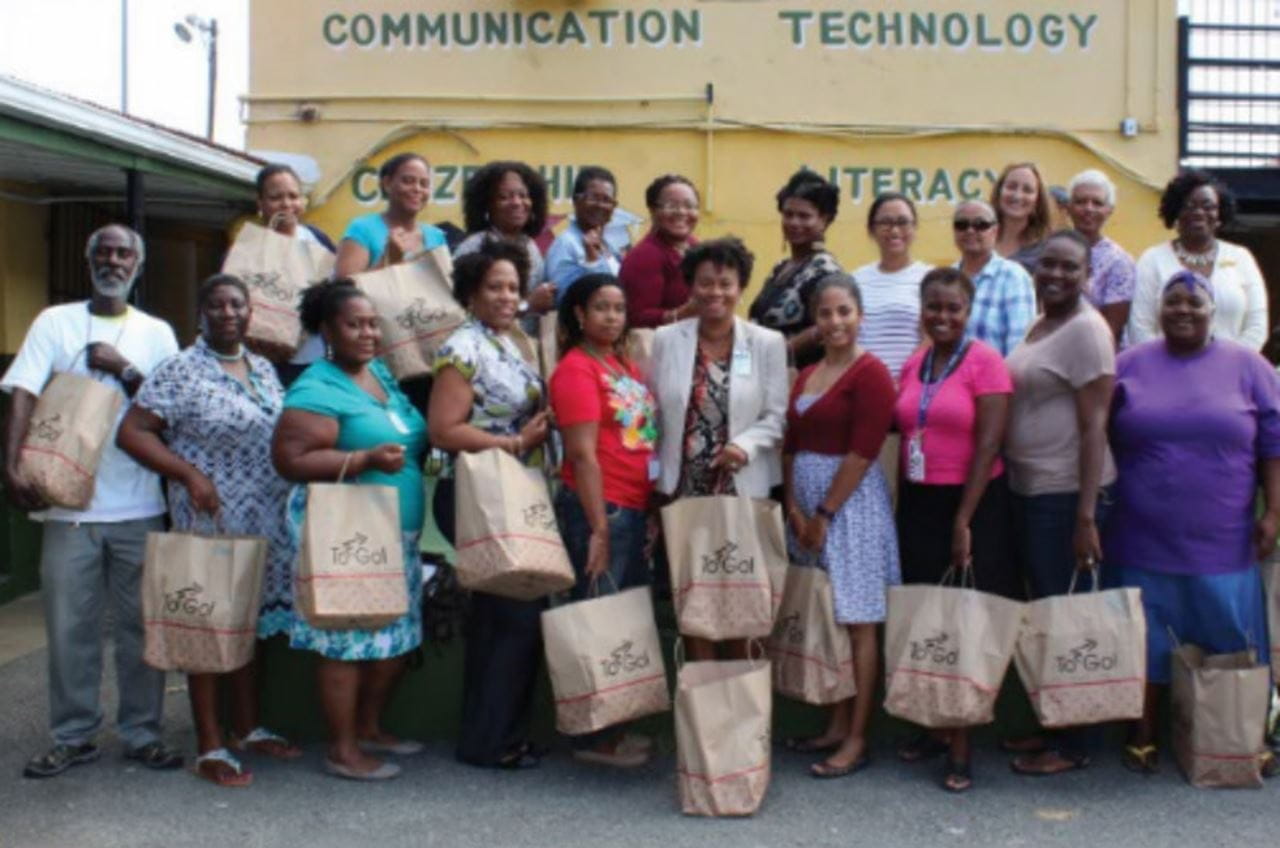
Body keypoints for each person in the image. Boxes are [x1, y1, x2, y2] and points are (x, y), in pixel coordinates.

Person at [3, 224, 183, 778]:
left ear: (138, 264)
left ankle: (142, 733)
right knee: (69, 629)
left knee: (141, 629)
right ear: (89, 261)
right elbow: (23, 393)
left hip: (138, 505)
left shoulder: (157, 333)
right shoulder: (54, 322)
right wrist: (9, 464)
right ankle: (74, 734)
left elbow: (172, 406)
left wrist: (123, 368)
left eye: (124, 252)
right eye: (103, 251)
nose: (113, 259)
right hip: (66, 508)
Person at [116, 274, 302, 787]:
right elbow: (131, 432)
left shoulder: (263, 367)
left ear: (250, 312)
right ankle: (210, 745)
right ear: (201, 314)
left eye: (236, 305)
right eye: (216, 305)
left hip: (265, 518)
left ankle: (247, 727)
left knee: (250, 624)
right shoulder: (180, 370)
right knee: (207, 627)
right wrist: (188, 474)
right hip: (210, 515)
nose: (227, 313)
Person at [1105, 269, 1280, 774]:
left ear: (1213, 311)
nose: (1183, 310)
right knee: (1149, 638)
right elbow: (1098, 435)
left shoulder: (1249, 367)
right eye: (1173, 302)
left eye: (1194, 303)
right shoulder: (1129, 365)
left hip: (1222, 538)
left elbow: (1273, 447)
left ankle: (1240, 732)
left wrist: (1274, 513)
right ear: (1158, 311)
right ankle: (1143, 733)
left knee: (1231, 636)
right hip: (1141, 535)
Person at [271, 279, 429, 781]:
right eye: (354, 324)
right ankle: (342, 749)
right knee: (345, 640)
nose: (367, 332)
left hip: (395, 531)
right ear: (326, 330)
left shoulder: (378, 373)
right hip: (350, 535)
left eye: (372, 323)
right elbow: (289, 459)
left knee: (391, 638)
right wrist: (362, 458)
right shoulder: (316, 387)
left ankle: (368, 728)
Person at [428, 240, 552, 769]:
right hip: (478, 489)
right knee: (517, 617)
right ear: (471, 294)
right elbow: (443, 429)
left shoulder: (509, 340)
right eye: (494, 288)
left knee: (499, 619)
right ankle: (493, 741)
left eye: (513, 287)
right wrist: (515, 444)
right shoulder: (464, 347)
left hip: (509, 488)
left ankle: (492, 736)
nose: (506, 296)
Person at [891, 267, 1014, 792]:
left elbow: (988, 445)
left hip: (972, 504)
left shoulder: (985, 363)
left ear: (969, 311)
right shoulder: (917, 362)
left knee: (963, 622)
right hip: (920, 501)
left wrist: (964, 520)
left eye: (953, 308)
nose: (942, 316)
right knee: (926, 616)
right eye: (934, 307)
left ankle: (961, 746)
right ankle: (932, 724)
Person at [1003, 230, 1117, 776]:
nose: (1055, 274)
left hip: (1067, 494)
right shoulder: (1041, 321)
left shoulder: (1088, 332)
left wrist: (1086, 516)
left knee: (1071, 618)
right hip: (1031, 491)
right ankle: (1053, 722)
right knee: (1046, 614)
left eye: (1070, 267)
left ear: (1087, 275)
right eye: (1048, 263)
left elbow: (1096, 426)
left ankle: (1076, 744)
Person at [783, 274, 899, 779]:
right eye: (826, 313)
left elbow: (864, 450)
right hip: (805, 508)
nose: (835, 322)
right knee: (828, 616)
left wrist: (825, 513)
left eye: (844, 312)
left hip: (849, 508)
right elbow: (789, 444)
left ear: (860, 316)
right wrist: (792, 505)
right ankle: (833, 722)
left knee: (859, 621)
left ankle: (857, 737)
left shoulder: (871, 373)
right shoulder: (805, 373)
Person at [650, 237, 787, 660]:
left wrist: (744, 446)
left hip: (742, 489)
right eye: (705, 283)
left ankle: (740, 712)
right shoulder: (666, 339)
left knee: (742, 598)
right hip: (686, 489)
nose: (715, 293)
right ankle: (705, 707)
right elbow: (654, 412)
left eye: (725, 283)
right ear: (691, 286)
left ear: (741, 286)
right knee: (695, 599)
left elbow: (776, 415)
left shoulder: (766, 342)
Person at [548, 273, 659, 768]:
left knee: (620, 619)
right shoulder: (575, 370)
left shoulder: (620, 364)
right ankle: (593, 736)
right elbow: (583, 455)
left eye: (619, 308)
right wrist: (597, 528)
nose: (612, 317)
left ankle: (614, 726)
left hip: (632, 505)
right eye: (601, 308)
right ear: (578, 314)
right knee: (597, 614)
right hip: (602, 507)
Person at [1127, 169, 1267, 350]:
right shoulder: (1152, 260)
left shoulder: (1241, 258)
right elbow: (1140, 328)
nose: (1199, 212)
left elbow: (1257, 326)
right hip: (1166, 374)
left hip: (1231, 373)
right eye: (1189, 205)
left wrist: (1230, 365)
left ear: (1219, 215)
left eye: (1208, 206)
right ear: (1176, 212)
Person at [748, 169, 842, 368]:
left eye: (804, 216)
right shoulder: (780, 268)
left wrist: (780, 352)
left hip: (801, 380)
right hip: (764, 373)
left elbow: (825, 327)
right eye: (788, 214)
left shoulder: (824, 271)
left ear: (824, 220)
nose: (794, 222)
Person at [254, 163, 337, 386]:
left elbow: (336, 292)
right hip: (261, 361)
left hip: (312, 357)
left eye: (293, 196)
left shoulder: (317, 240)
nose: (287, 204)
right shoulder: (248, 247)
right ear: (260, 202)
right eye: (276, 197)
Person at [455, 161, 556, 318]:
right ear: (487, 205)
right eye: (504, 197)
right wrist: (527, 305)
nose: (517, 202)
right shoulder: (474, 246)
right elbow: (462, 312)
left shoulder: (530, 245)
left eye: (523, 195)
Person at [852, 192, 931, 381]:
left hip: (914, 385)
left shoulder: (929, 278)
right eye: (886, 222)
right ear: (871, 229)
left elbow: (931, 338)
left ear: (915, 227)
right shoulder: (855, 280)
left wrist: (904, 379)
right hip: (865, 383)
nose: (895, 230)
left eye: (903, 222)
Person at [333, 152, 448, 278]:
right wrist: (387, 260)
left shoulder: (436, 236)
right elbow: (342, 290)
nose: (417, 189)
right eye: (408, 181)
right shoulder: (363, 229)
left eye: (424, 184)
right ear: (387, 183)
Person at [952, 200, 1036, 357]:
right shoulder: (947, 277)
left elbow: (1018, 350)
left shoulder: (1013, 277)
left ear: (995, 231)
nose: (970, 230)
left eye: (980, 225)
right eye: (962, 224)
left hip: (993, 380)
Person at [620, 174, 700, 329]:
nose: (682, 212)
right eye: (671, 206)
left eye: (690, 206)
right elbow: (636, 317)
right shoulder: (645, 256)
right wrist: (683, 312)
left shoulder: (695, 246)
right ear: (652, 210)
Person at [1065, 169, 1135, 345]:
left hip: (1098, 353)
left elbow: (1112, 328)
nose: (1089, 208)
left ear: (1109, 210)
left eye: (1097, 203)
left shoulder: (1119, 261)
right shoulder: (1056, 250)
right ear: (1068, 207)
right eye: (1081, 201)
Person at [546, 167, 623, 304]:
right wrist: (591, 263)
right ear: (576, 201)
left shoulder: (610, 247)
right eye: (594, 198)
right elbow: (564, 298)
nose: (600, 205)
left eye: (607, 200)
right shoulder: (566, 244)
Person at [992, 162, 1052, 274]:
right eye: (1011, 187)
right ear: (999, 192)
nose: (1017, 196)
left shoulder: (1046, 249)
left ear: (1038, 201)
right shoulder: (980, 237)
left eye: (1027, 190)